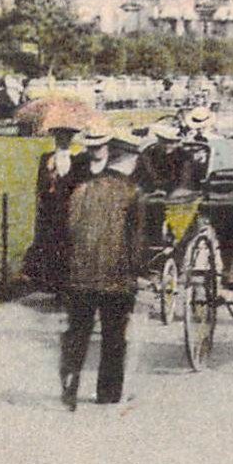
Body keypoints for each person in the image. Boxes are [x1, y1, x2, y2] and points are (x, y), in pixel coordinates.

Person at [58, 130, 145, 411]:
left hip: (81, 274)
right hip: (116, 276)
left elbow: (69, 229)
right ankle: (107, 393)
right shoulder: (132, 193)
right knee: (114, 336)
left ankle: (70, 385)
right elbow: (136, 240)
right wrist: (135, 272)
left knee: (78, 331)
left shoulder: (80, 190)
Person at [26, 124, 88, 294]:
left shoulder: (78, 160)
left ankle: (69, 286)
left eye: (67, 136)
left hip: (70, 211)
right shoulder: (47, 158)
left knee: (70, 248)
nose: (63, 139)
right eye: (59, 136)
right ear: (55, 138)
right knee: (52, 248)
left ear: (71, 138)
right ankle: (54, 286)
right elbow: (40, 186)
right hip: (50, 211)